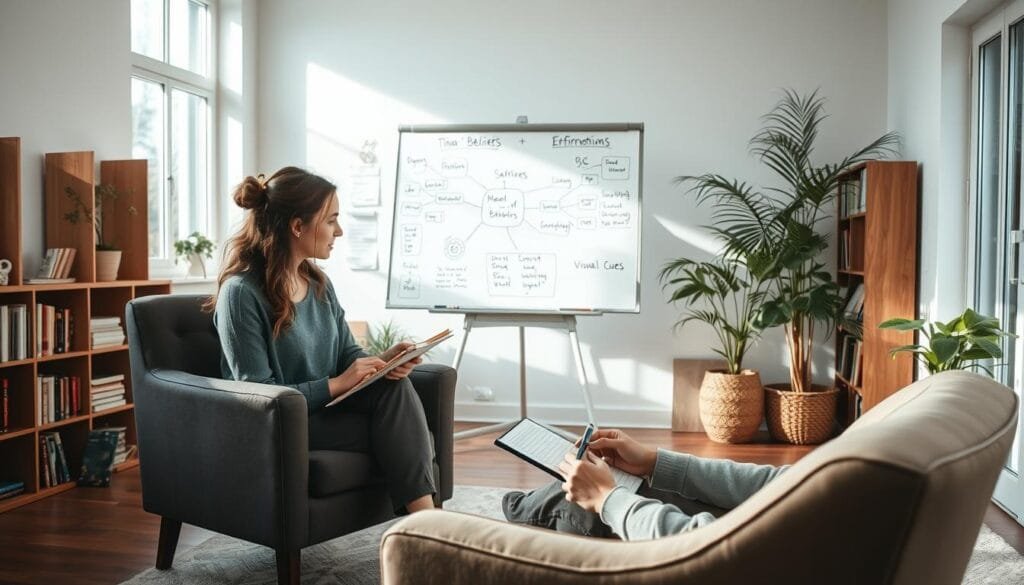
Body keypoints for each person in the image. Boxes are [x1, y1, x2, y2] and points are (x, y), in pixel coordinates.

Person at [210, 166, 436, 514]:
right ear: (297, 226)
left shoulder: (318, 284)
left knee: (396, 390)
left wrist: (384, 360)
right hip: (281, 424)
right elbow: (258, 394)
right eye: (331, 220)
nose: (339, 231)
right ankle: (428, 527)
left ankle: (425, 525)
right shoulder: (240, 294)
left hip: (325, 414)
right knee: (402, 435)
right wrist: (335, 384)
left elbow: (347, 353)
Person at [503, 428, 788, 540]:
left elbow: (702, 545)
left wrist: (606, 498)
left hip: (718, 552)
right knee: (638, 483)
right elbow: (771, 482)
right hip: (752, 525)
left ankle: (523, 509)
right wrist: (654, 462)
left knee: (579, 507)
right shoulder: (828, 481)